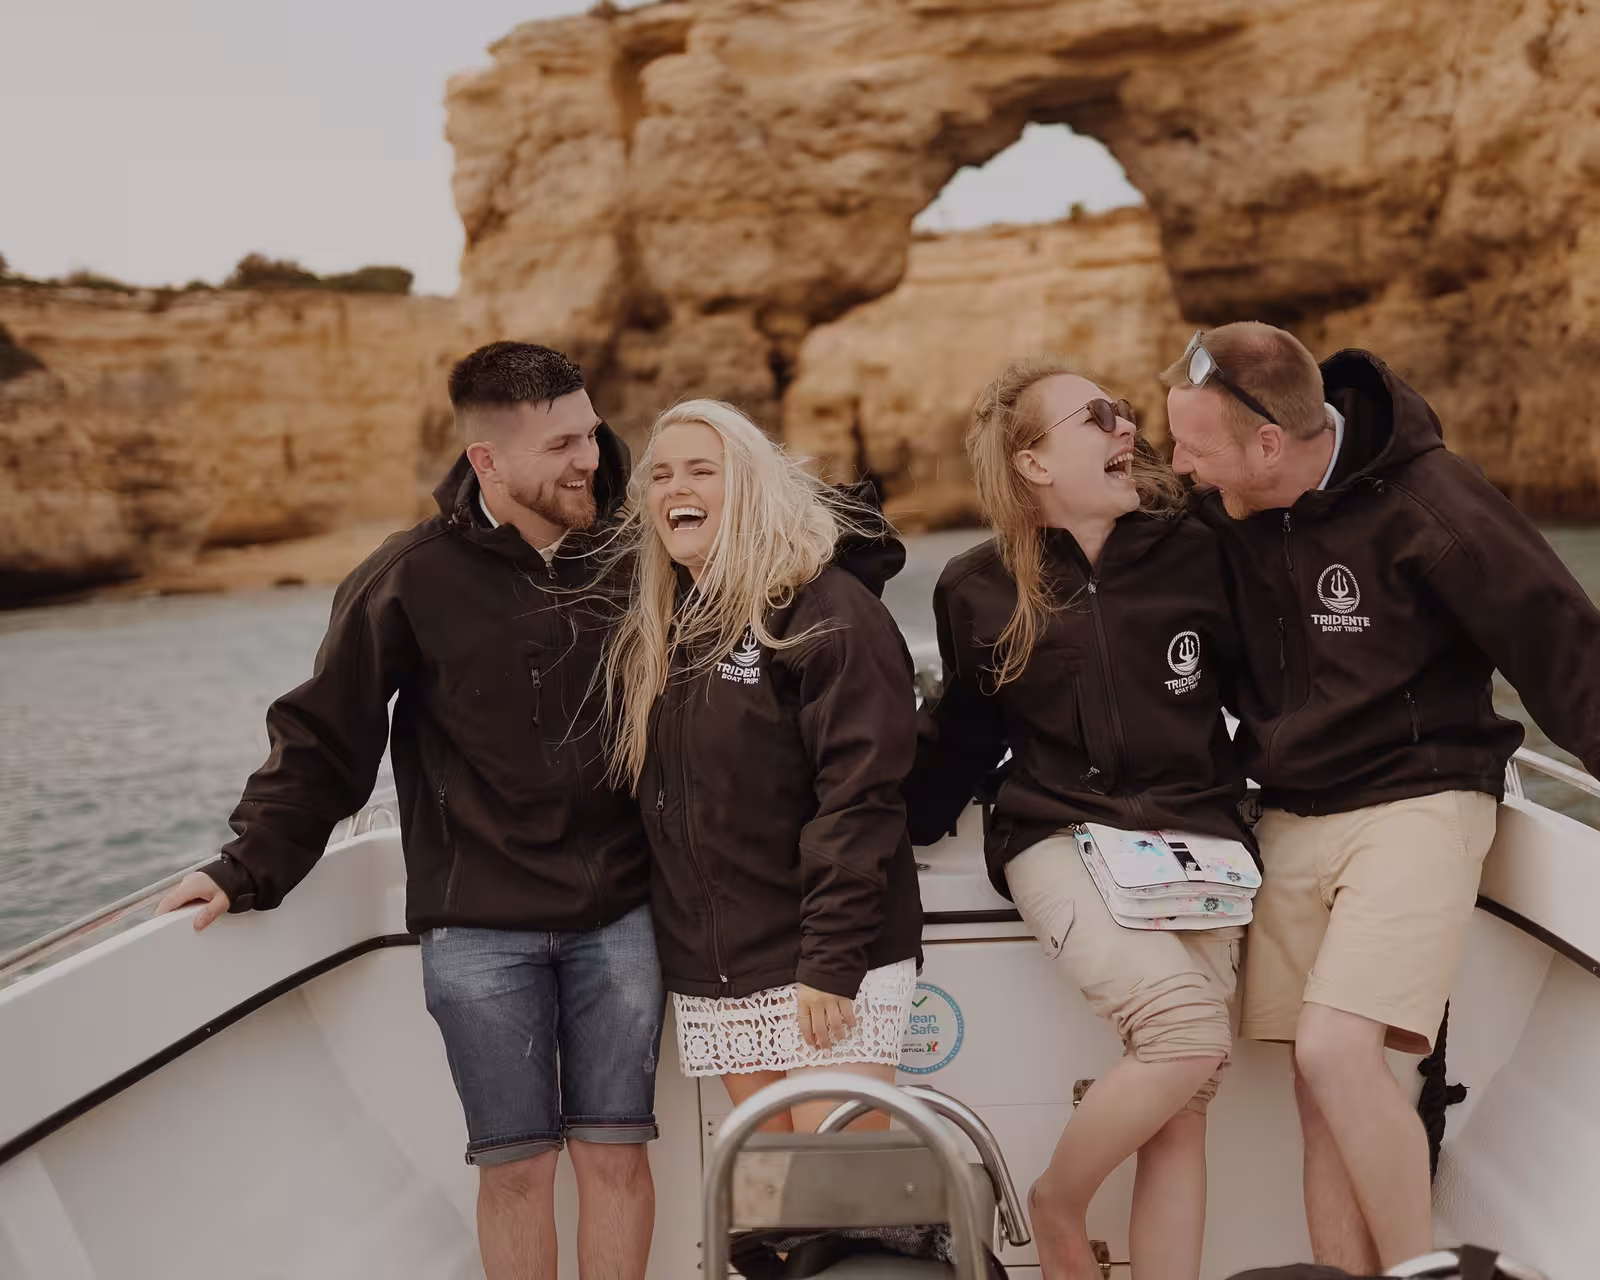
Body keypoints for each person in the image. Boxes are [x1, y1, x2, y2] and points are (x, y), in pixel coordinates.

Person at [1162, 323, 1600, 1271]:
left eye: (1193, 449)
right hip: (1287, 810)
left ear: (1268, 443)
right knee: (1321, 1099)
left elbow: (1557, 639)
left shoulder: (1431, 502)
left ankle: (1419, 1274)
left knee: (1336, 1052)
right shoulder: (1225, 508)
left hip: (1418, 799)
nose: (1182, 470)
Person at [155, 342, 662, 1280]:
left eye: (589, 434)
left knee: (617, 1157)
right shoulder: (409, 576)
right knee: (518, 1172)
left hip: (622, 914)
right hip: (479, 929)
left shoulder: (639, 556)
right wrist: (245, 864)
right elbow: (324, 736)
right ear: (487, 462)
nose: (588, 459)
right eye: (559, 446)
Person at [906, 361, 1251, 1280]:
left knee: (1187, 1097)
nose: (1125, 429)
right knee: (1186, 1034)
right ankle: (1055, 1207)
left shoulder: (1203, 549)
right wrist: (880, 825)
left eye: (1124, 411)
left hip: (1200, 837)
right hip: (1058, 833)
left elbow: (1272, 696)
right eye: (1096, 417)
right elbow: (963, 738)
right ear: (1033, 462)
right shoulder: (977, 586)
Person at [600, 398, 923, 1136]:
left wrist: (830, 963)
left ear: (750, 486)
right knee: (785, 1223)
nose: (676, 488)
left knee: (846, 1205)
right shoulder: (668, 626)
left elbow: (860, 796)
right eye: (660, 475)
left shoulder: (825, 608)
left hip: (828, 964)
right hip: (726, 975)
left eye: (702, 471)